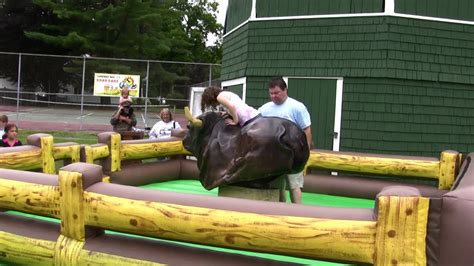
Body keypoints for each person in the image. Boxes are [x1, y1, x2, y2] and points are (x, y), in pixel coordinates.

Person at [258, 77, 312, 204]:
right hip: (273, 156)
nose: (274, 96)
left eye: (277, 93)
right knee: (277, 188)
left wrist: (306, 153)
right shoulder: (265, 109)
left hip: (294, 155)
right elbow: (251, 120)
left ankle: (298, 214)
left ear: (285, 90)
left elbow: (307, 130)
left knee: (294, 186)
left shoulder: (297, 107)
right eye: (271, 93)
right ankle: (280, 215)